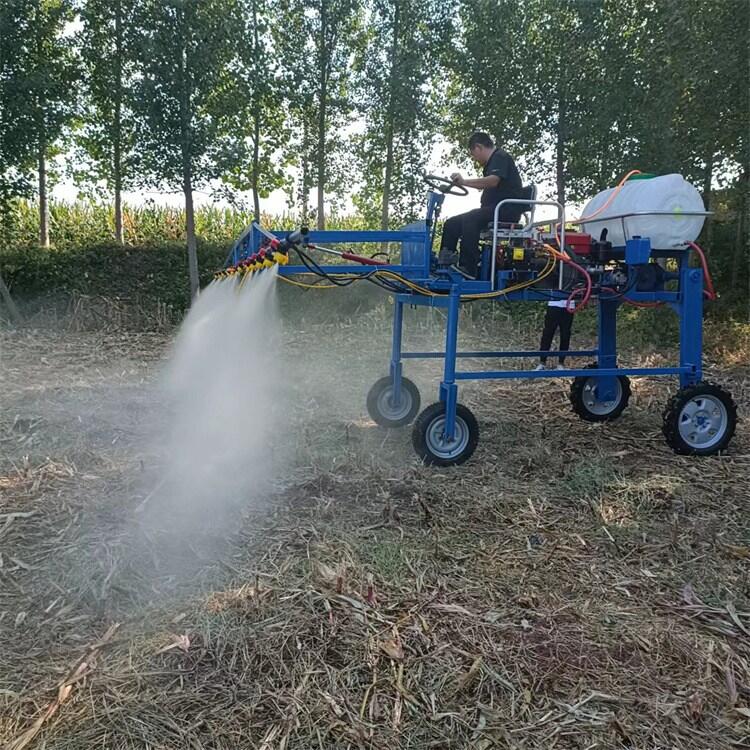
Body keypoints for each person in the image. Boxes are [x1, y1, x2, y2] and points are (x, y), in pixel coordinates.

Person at [437, 131, 523, 277]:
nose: (474, 159)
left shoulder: (500, 157)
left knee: (471, 218)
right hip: (493, 210)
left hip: (506, 210)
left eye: (473, 154)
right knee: (451, 223)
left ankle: (468, 267)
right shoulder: (491, 163)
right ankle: (445, 265)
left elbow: (493, 181)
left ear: (478, 147)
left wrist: (464, 182)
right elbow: (485, 184)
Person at [535, 299, 575, 370]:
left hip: (569, 305)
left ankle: (561, 363)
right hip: (553, 304)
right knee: (547, 334)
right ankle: (542, 362)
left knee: (565, 335)